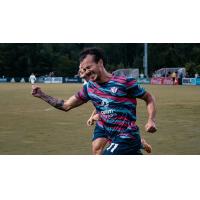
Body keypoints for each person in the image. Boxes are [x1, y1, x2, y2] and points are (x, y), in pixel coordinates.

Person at [32, 47, 157, 155]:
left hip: (126, 134)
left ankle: (135, 143)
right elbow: (66, 105)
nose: (87, 72)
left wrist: (151, 120)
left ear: (100, 62)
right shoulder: (89, 88)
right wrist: (42, 95)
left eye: (89, 67)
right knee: (97, 150)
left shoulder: (124, 82)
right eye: (84, 69)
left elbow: (149, 98)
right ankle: (137, 145)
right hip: (105, 127)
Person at [79, 68, 152, 154]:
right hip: (102, 123)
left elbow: (109, 103)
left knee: (118, 148)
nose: (82, 73)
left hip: (116, 123)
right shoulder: (89, 85)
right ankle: (137, 144)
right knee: (96, 150)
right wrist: (91, 117)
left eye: (84, 70)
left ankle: (137, 143)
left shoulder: (107, 83)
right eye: (81, 71)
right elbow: (100, 104)